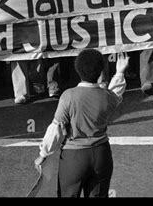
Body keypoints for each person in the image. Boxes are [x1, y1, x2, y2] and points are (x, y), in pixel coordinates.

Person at [34, 49, 128, 197]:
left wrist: (43, 154)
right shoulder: (107, 97)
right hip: (102, 155)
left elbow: (55, 129)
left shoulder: (68, 96)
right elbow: (117, 92)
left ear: (77, 69)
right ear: (101, 71)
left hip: (74, 158)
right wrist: (120, 72)